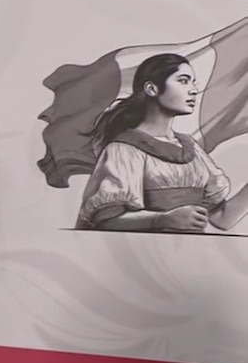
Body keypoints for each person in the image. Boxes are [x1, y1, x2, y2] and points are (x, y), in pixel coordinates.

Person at [75, 53, 248, 232]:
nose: (193, 90)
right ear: (152, 89)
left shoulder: (192, 149)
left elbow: (222, 219)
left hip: (189, 255)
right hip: (140, 254)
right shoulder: (123, 149)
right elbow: (105, 221)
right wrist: (161, 220)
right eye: (183, 80)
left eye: (193, 81)